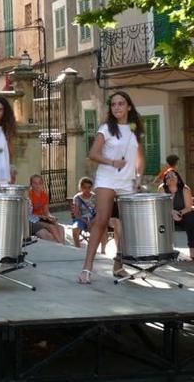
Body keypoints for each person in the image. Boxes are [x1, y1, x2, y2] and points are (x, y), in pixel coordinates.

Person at [78, 91, 143, 284]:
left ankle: (118, 265)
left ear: (129, 107)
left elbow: (141, 157)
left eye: (121, 104)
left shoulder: (135, 129)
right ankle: (87, 268)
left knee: (127, 225)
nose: (117, 107)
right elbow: (92, 154)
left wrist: (139, 177)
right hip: (107, 178)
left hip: (128, 181)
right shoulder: (106, 128)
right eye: (113, 104)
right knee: (101, 219)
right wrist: (112, 162)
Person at [160, 170, 194, 261]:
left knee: (191, 219)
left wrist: (178, 213)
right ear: (165, 181)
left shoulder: (185, 189)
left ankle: (192, 251)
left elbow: (188, 207)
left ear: (178, 179)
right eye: (168, 176)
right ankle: (164, 251)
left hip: (182, 214)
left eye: (173, 176)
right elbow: (161, 206)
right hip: (166, 215)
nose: (170, 178)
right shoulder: (162, 189)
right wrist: (172, 212)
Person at [71, 177, 107, 251]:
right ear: (80, 188)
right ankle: (78, 249)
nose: (87, 190)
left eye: (89, 187)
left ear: (92, 188)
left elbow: (99, 211)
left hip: (94, 218)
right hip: (81, 219)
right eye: (84, 187)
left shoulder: (95, 197)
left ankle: (103, 250)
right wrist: (86, 221)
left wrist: (93, 221)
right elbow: (77, 214)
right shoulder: (77, 198)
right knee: (75, 229)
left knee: (103, 228)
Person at [28, 175, 66, 244]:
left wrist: (50, 217)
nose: (37, 185)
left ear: (42, 184)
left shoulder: (44, 195)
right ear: (31, 184)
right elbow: (29, 213)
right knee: (52, 227)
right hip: (33, 218)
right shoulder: (29, 195)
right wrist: (42, 216)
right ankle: (61, 244)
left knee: (60, 227)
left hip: (43, 217)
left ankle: (62, 244)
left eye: (40, 183)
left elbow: (46, 211)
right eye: (35, 183)